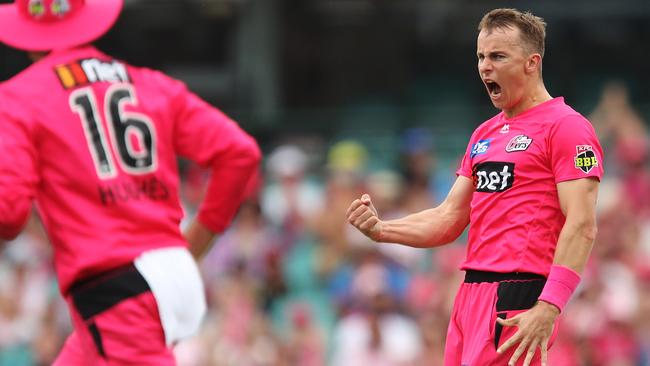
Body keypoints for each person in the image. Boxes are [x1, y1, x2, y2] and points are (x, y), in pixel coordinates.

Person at [0, 0, 261, 365]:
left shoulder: (17, 98)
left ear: (28, 36)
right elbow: (240, 152)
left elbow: (8, 215)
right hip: (167, 274)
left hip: (118, 293)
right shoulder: (151, 84)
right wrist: (198, 238)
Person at [347, 8, 603, 366]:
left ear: (532, 62)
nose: (485, 66)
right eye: (481, 56)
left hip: (516, 294)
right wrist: (382, 230)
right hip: (469, 296)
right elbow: (449, 217)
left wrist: (548, 306)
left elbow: (582, 224)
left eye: (498, 56)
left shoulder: (567, 128)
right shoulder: (483, 135)